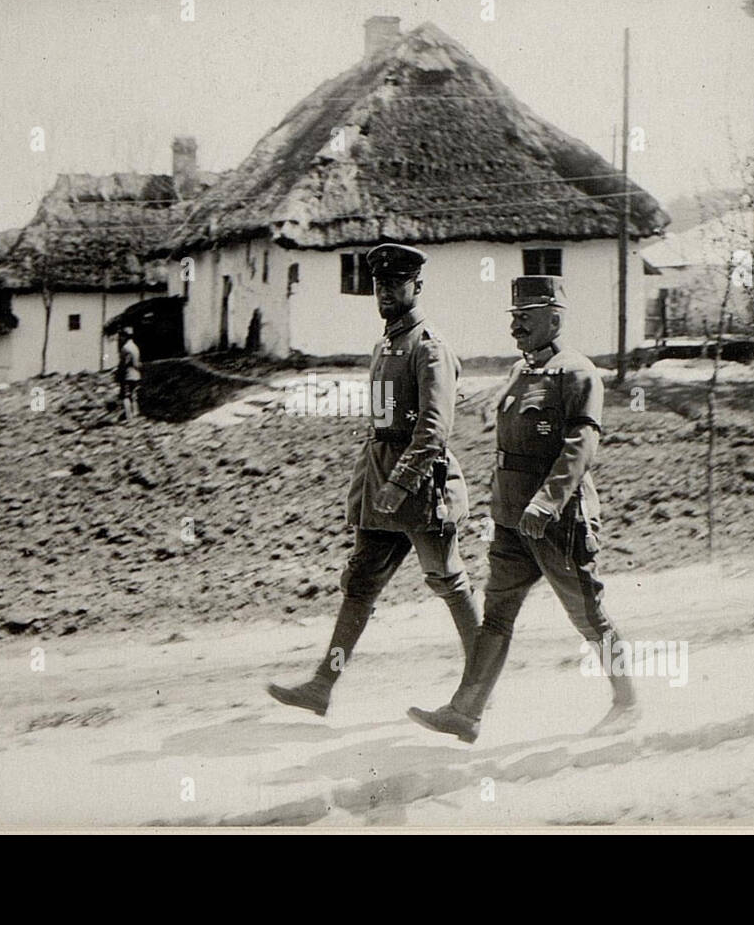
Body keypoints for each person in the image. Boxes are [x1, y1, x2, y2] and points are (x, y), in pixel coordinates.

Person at [408, 275, 639, 743]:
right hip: (511, 520)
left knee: (587, 613)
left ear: (555, 319)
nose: (516, 329)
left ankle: (627, 700)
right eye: (514, 319)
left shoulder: (575, 372)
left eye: (526, 319)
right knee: (497, 616)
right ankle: (466, 712)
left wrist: (547, 502)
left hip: (557, 519)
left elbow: (580, 445)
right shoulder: (520, 372)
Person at [267, 243, 480, 716]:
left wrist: (399, 482)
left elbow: (434, 429)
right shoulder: (386, 346)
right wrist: (371, 486)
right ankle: (322, 685)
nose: (384, 292)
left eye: (395, 283)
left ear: (417, 287)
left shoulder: (430, 349)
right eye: (379, 284)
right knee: (360, 583)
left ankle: (478, 688)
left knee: (448, 581)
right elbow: (381, 426)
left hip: (421, 487)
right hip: (381, 483)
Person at [118, 326, 142, 419]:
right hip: (136, 375)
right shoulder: (135, 347)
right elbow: (137, 363)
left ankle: (129, 416)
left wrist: (119, 373)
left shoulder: (125, 348)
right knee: (134, 395)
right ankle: (136, 413)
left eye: (122, 336)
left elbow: (124, 363)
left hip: (127, 375)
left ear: (125, 336)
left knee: (125, 396)